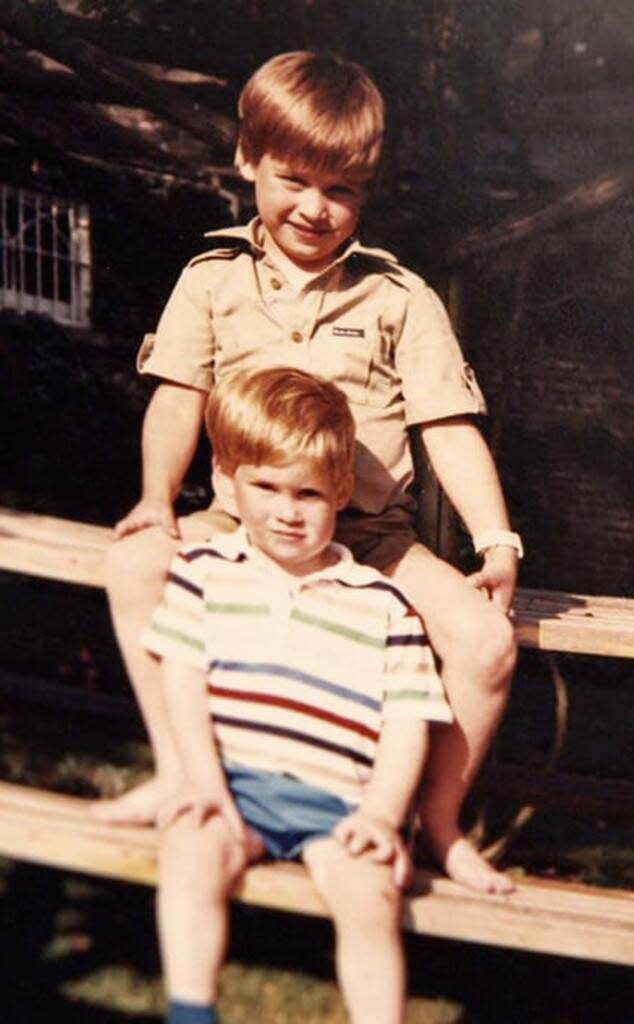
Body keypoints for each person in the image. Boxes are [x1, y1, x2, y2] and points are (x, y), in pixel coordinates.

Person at [95, 50, 522, 894]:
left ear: (366, 190)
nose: (316, 210)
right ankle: (185, 774)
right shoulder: (213, 281)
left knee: (486, 645)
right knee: (135, 562)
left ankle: (434, 824)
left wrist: (496, 540)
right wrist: (154, 500)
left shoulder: (400, 298)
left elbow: (449, 426)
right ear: (248, 159)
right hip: (244, 526)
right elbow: (178, 400)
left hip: (372, 539)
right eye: (294, 180)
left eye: (343, 191)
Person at [147, 366, 452, 1024]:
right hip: (236, 788)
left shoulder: (384, 604)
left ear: (341, 491)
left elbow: (406, 723)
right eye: (266, 487)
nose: (286, 511)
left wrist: (380, 814)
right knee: (189, 858)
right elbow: (182, 681)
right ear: (227, 481)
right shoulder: (204, 574)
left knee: (369, 900)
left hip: (338, 804)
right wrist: (204, 784)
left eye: (308, 493)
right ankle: (190, 1013)